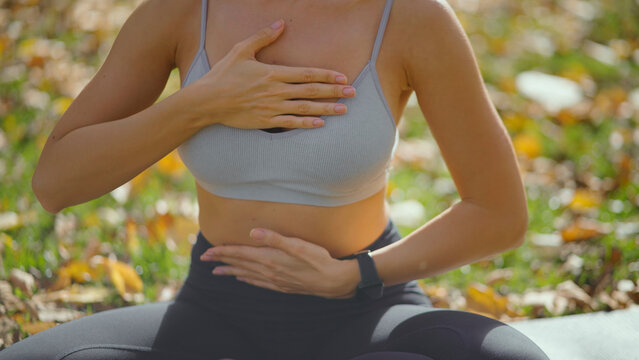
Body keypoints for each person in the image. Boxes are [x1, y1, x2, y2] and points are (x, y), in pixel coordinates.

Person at [4, 0, 550, 359]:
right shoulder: (182, 12)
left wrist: (356, 274)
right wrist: (198, 105)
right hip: (215, 314)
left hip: (371, 315)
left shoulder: (410, 17)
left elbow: (499, 214)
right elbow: (56, 183)